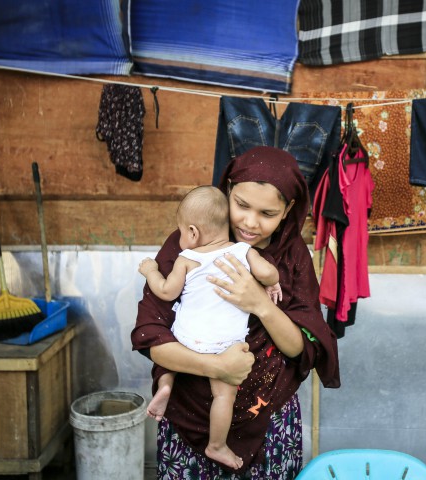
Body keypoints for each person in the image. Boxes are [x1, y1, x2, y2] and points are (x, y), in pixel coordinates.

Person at [131, 146, 340, 479]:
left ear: (287, 211)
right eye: (241, 205)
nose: (250, 222)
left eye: (267, 213)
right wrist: (218, 367)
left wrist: (258, 303)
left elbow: (301, 347)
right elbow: (152, 334)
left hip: (269, 421)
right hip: (189, 418)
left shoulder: (292, 257)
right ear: (227, 190)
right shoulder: (189, 243)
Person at [137, 185, 282, 470]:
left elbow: (166, 292)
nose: (179, 239)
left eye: (180, 232)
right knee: (223, 396)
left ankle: (165, 385)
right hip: (224, 343)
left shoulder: (186, 259)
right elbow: (267, 272)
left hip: (187, 336)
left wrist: (151, 271)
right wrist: (272, 281)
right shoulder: (243, 251)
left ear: (193, 232)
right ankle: (217, 446)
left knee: (171, 355)